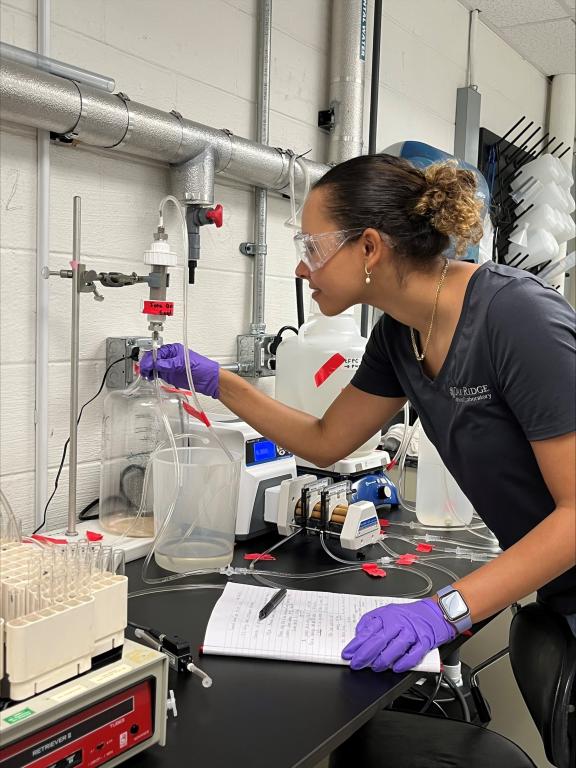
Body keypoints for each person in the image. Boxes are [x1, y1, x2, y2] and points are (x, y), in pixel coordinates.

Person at [141, 154, 576, 673]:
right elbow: (328, 439)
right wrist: (220, 383)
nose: (302, 268)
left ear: (370, 246)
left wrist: (446, 610)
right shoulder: (398, 334)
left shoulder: (516, 317)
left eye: (312, 247)